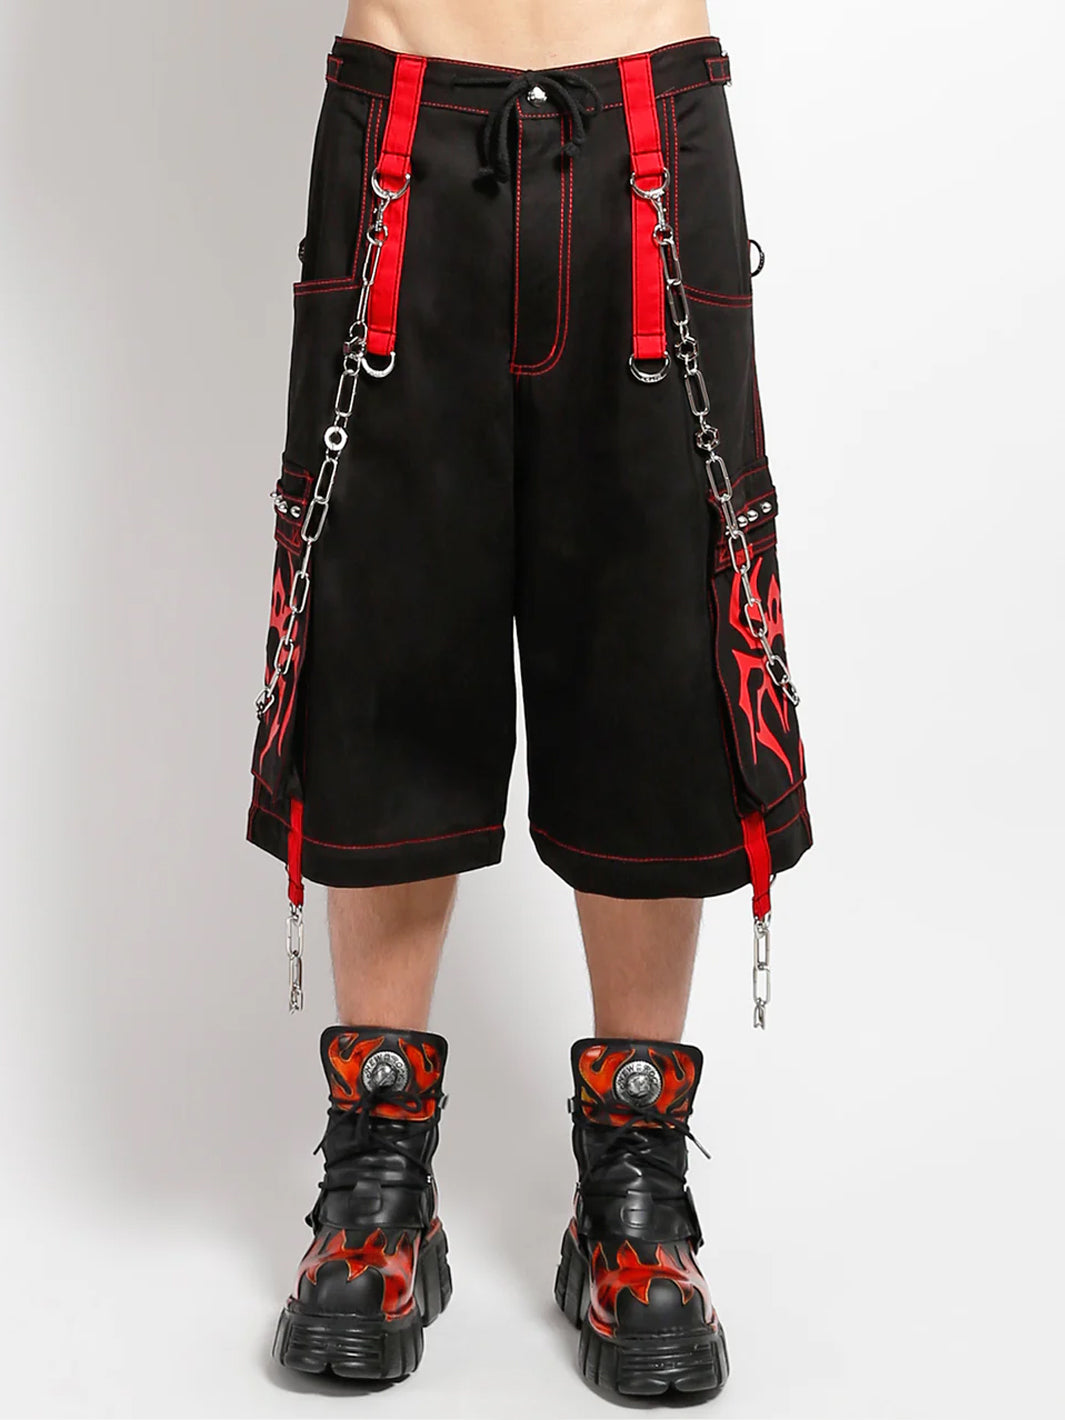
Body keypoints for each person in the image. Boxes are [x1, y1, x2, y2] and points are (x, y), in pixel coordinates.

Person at [246, 0, 812, 1399]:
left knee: (658, 651)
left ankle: (633, 1202)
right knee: (383, 638)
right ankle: (378, 1187)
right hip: (401, 132)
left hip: (646, 136)